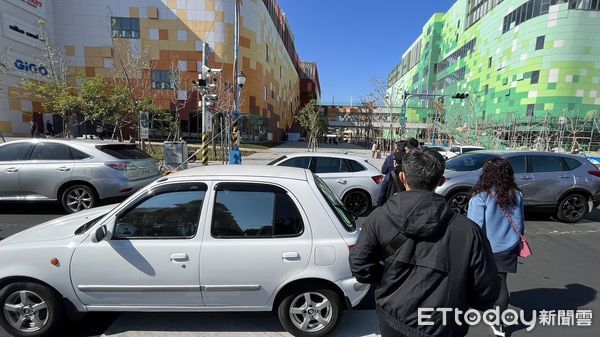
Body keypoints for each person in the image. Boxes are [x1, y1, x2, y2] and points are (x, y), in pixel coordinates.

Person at [350, 149, 500, 337]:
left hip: (393, 319)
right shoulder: (469, 231)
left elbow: (360, 267)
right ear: (441, 181)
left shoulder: (378, 218)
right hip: (445, 325)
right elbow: (487, 291)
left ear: (403, 177)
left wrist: (386, 278)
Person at [467, 157, 525, 337]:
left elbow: (475, 227)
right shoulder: (516, 194)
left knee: (475, 280)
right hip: (508, 246)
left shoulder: (481, 197)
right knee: (502, 283)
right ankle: (498, 324)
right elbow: (520, 224)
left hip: (486, 248)